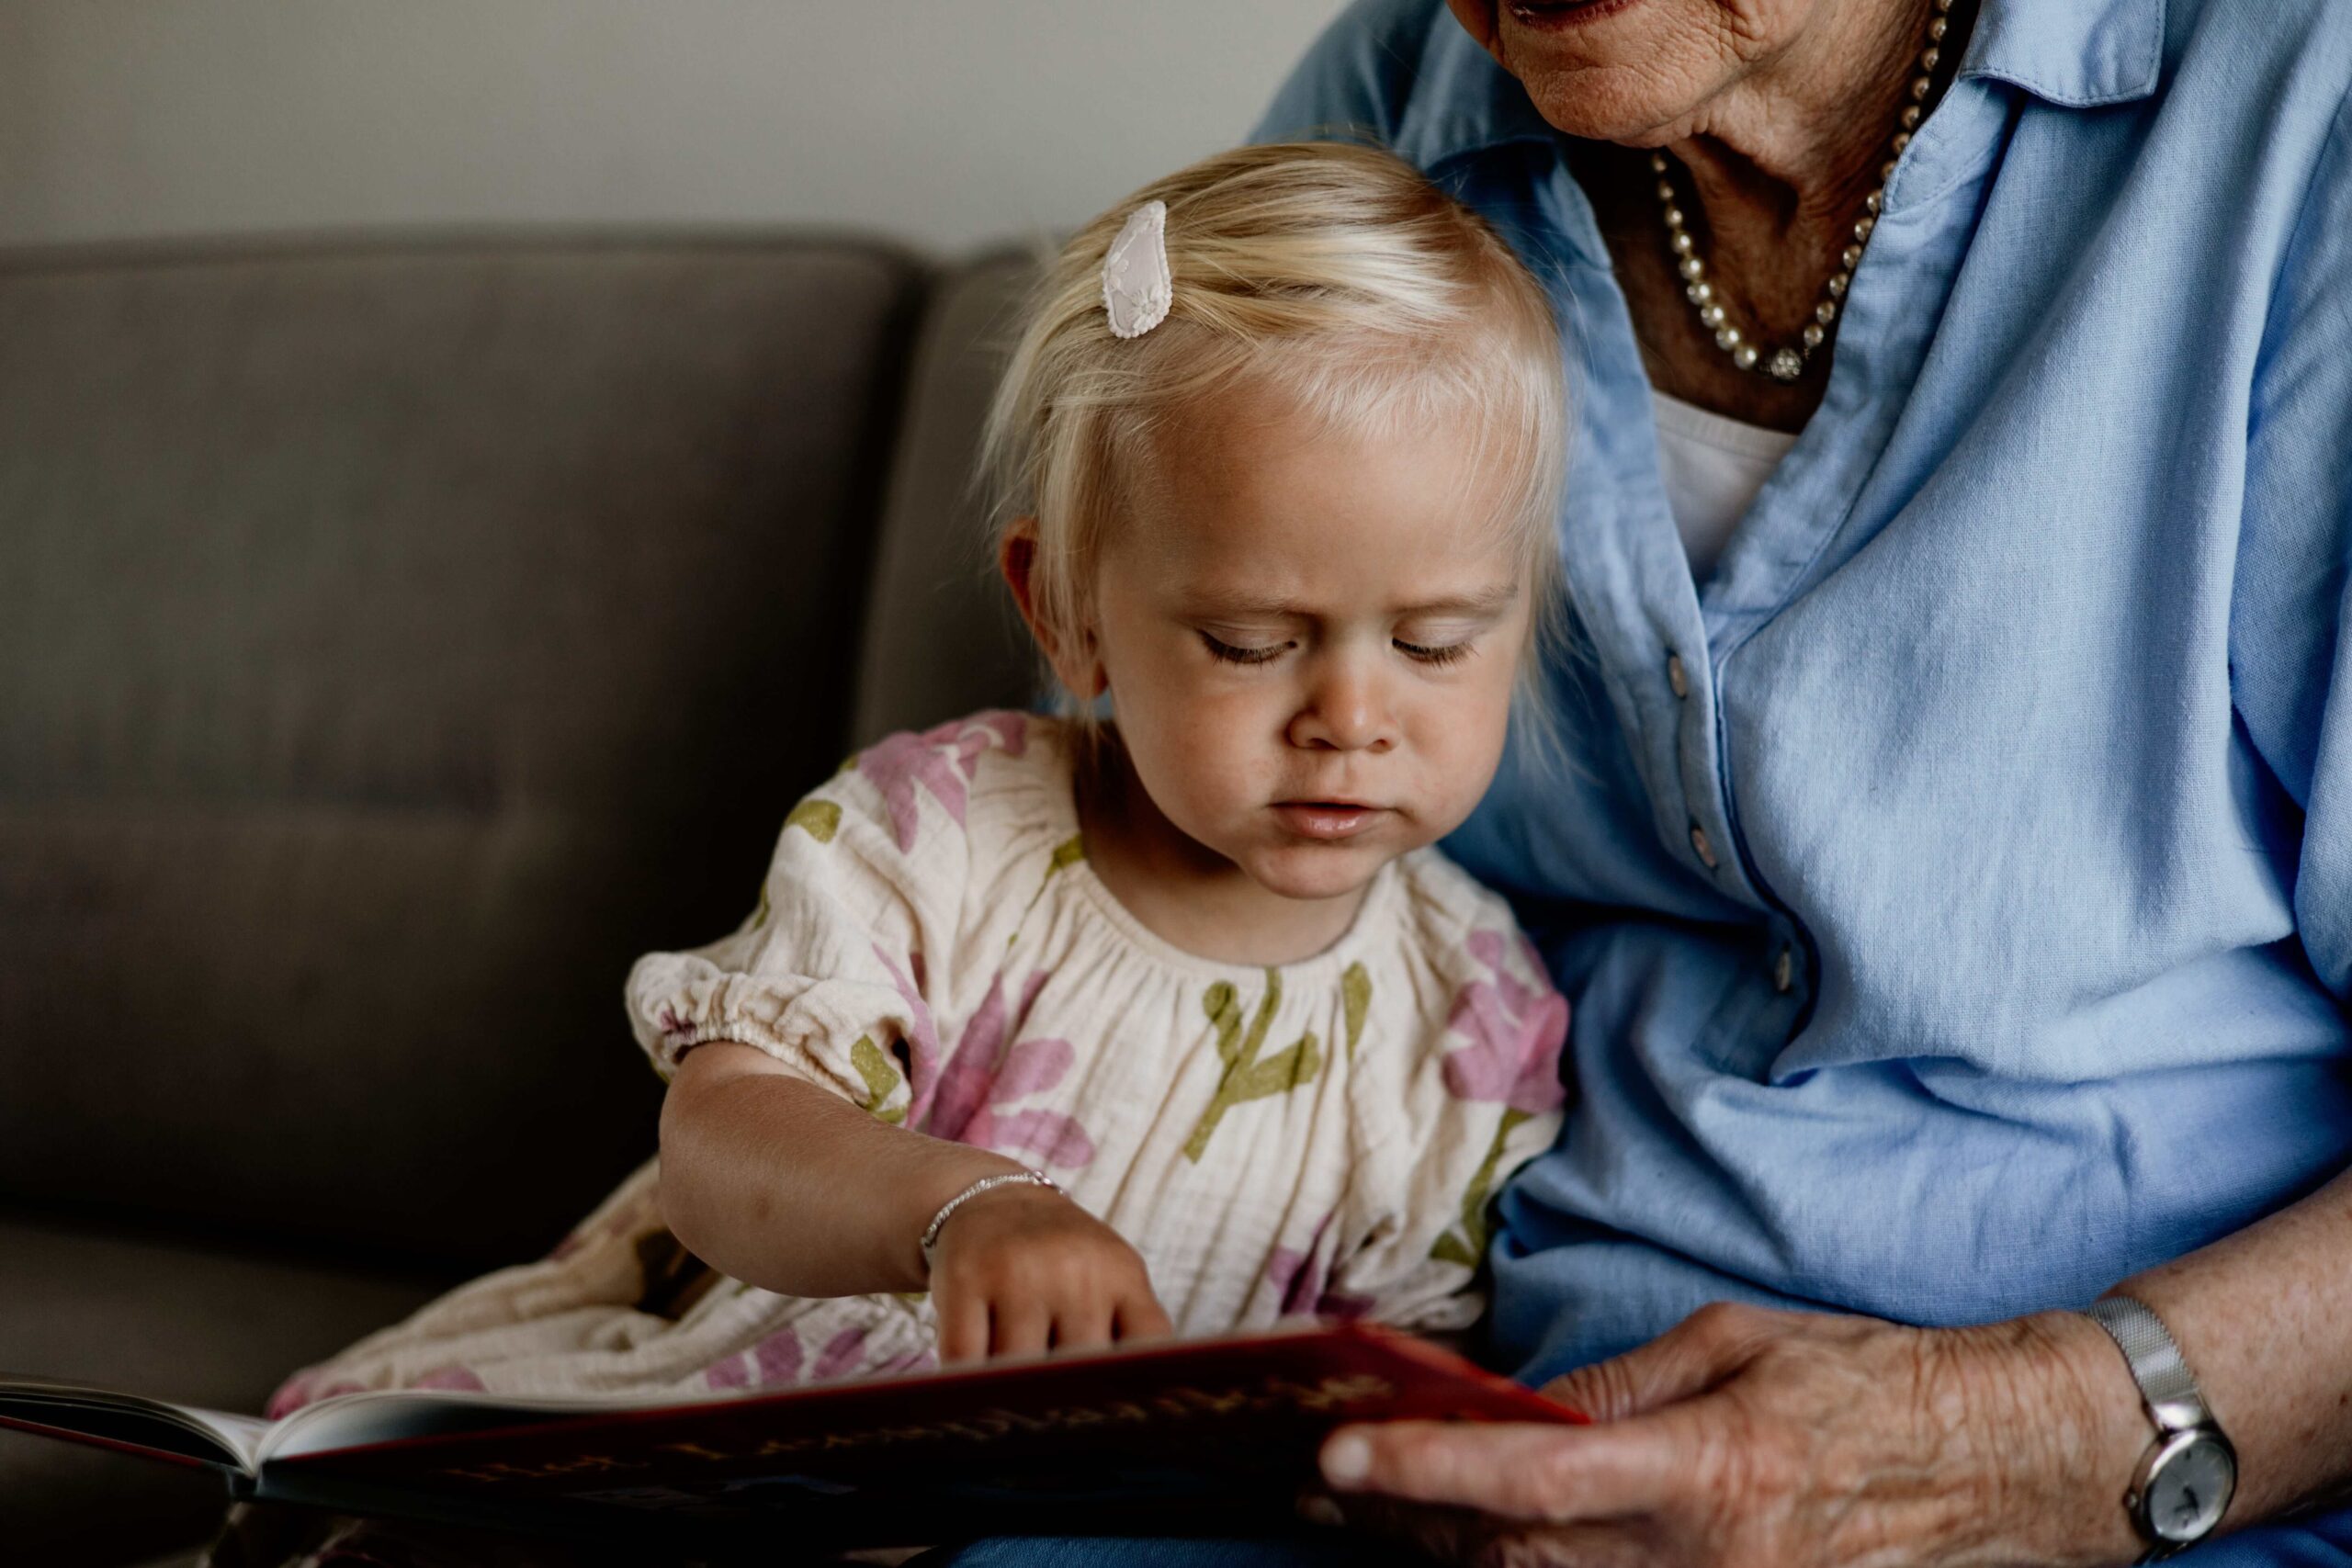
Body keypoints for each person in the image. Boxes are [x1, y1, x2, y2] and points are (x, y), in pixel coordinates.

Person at [926, 0, 2352, 1564]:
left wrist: (2034, 1438)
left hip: (2144, 1476)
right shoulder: (1393, 105)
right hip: (1457, 1424)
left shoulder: (2300, 114)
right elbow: (1131, 824)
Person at [198, 140, 1579, 1564]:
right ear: (1069, 614)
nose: (1351, 719)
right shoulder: (946, 832)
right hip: (726, 1467)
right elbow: (719, 1143)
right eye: (1250, 643)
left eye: (1433, 641)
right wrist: (958, 1205)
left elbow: (1407, 1389)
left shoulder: (1471, 1008)